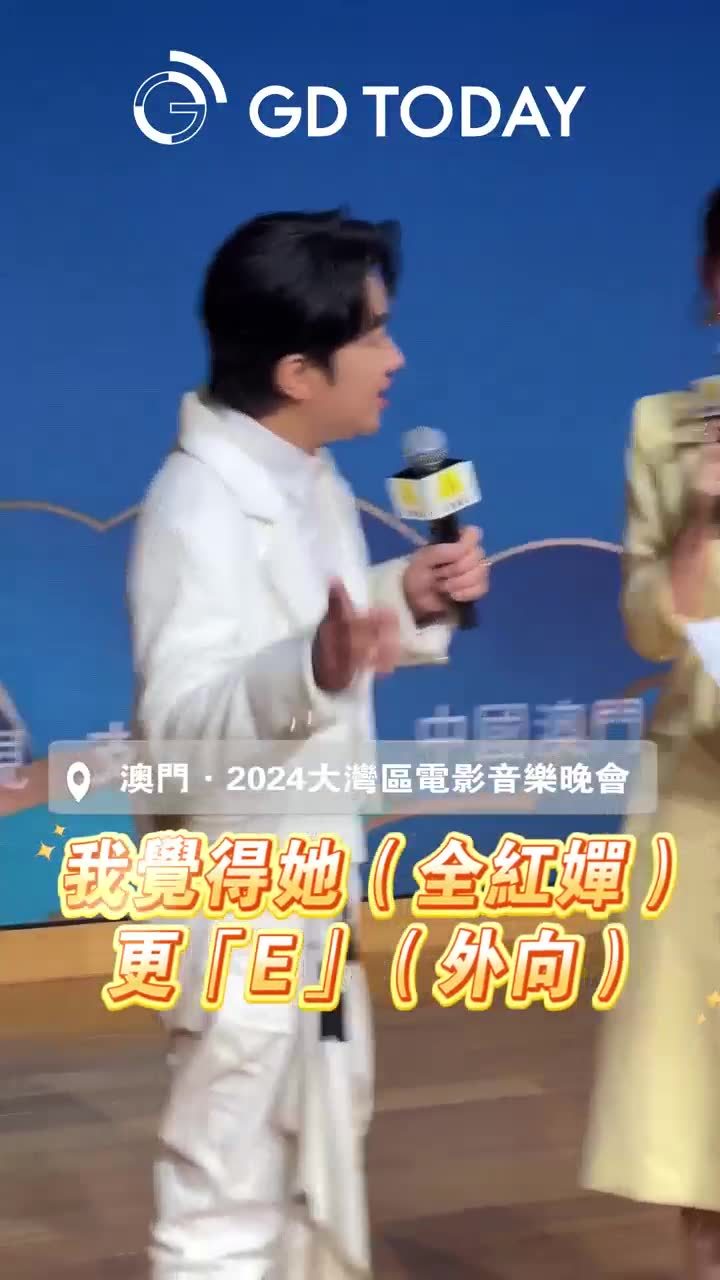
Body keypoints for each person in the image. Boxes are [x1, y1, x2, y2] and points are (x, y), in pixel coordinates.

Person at [126, 208, 488, 1280]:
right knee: (223, 1200)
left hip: (314, 888)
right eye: (372, 334)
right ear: (296, 371)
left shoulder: (305, 474)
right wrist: (312, 667)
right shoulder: (197, 506)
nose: (395, 357)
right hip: (242, 901)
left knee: (316, 1162)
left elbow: (306, 623)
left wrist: (403, 597)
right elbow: (178, 732)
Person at [581, 186, 720, 1278]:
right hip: (704, 804)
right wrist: (705, 518)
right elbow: (646, 622)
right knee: (704, 1135)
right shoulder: (666, 430)